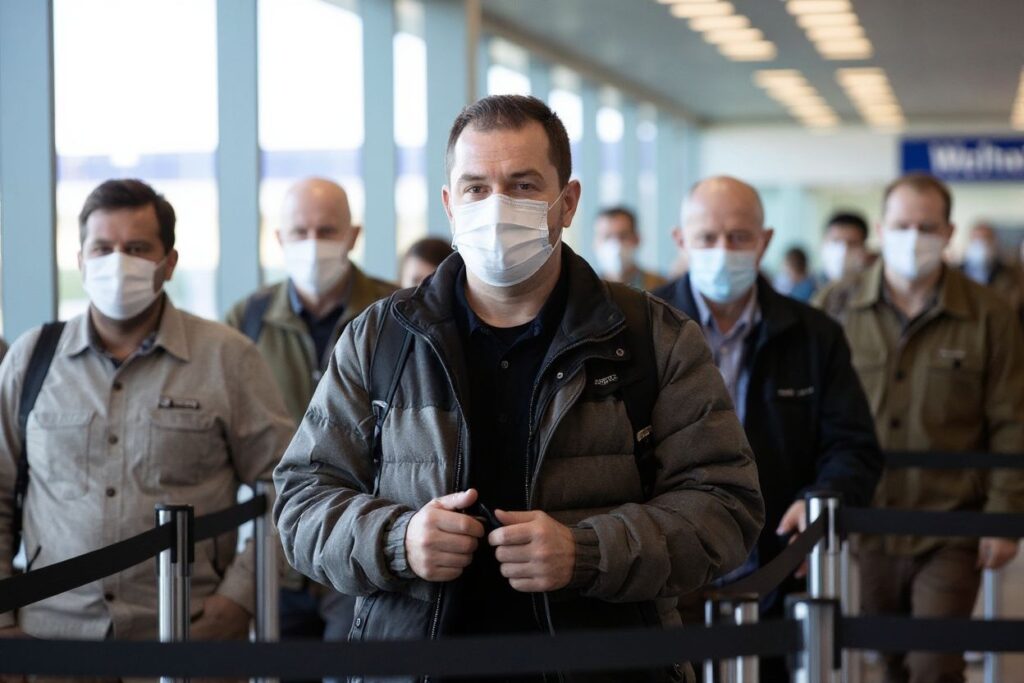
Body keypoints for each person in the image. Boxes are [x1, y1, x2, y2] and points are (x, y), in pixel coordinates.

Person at [274, 95, 764, 683]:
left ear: (567, 202)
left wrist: (587, 552)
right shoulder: (382, 338)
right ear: (451, 205)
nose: (497, 205)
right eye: (476, 188)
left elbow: (726, 508)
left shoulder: (653, 337)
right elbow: (302, 502)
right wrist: (399, 540)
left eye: (524, 184)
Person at [0, 179, 294, 640]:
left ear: (169, 263)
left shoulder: (228, 358)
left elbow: (290, 487)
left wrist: (238, 599)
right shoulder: (30, 359)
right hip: (50, 642)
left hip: (187, 636)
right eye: (101, 248)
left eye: (137, 248)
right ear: (80, 261)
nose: (117, 263)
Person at [653, 176, 882, 680]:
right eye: (707, 238)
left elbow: (853, 444)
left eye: (738, 237)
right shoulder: (635, 326)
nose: (722, 250)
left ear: (765, 241)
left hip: (775, 566)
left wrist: (824, 496)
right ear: (680, 241)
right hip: (665, 572)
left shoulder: (814, 335)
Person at [816, 173, 1024, 683]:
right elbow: (810, 415)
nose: (913, 237)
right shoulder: (834, 308)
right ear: (882, 230)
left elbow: (1011, 418)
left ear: (949, 231)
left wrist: (1005, 515)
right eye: (902, 224)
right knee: (885, 660)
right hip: (863, 522)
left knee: (933, 662)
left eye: (926, 226)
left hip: (950, 522)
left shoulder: (990, 315)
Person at [226, 177, 397, 643]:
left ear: (352, 236)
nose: (313, 244)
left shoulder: (395, 310)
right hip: (277, 551)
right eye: (299, 232)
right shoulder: (248, 319)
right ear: (279, 239)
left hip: (364, 543)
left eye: (326, 231)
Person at [592, 206, 666, 290]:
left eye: (623, 236)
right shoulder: (585, 289)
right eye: (607, 237)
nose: (615, 245)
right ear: (595, 243)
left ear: (637, 239)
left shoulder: (661, 286)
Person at [961, 222, 1022, 315]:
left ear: (994, 241)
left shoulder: (1010, 274)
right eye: (977, 239)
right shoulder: (954, 272)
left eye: (986, 239)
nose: (981, 244)